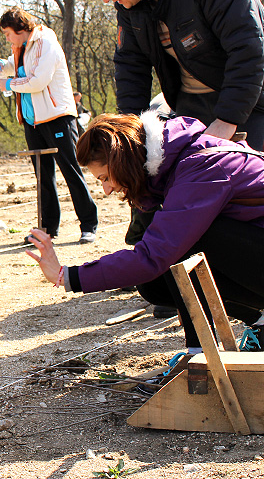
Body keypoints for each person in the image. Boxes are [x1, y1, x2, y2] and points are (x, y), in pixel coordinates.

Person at [26, 112, 264, 378]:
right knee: (158, 283)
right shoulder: (181, 161)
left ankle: (199, 359)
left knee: (185, 242)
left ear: (123, 161)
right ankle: (259, 322)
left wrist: (67, 275)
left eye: (105, 177)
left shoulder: (202, 166)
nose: (106, 189)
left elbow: (154, 255)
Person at [86, 0, 264, 151]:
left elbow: (247, 50)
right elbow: (130, 68)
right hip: (190, 106)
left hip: (249, 102)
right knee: (189, 177)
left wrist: (227, 120)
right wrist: (130, 137)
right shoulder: (129, 6)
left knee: (247, 175)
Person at [0, 7, 99, 244]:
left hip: (57, 117)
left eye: (8, 33)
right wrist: (3, 66)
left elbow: (38, 80)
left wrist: (10, 84)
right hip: (32, 121)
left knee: (70, 170)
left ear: (20, 28)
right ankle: (48, 228)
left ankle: (89, 224)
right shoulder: (21, 48)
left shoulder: (46, 42)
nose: (7, 38)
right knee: (43, 176)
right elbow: (17, 65)